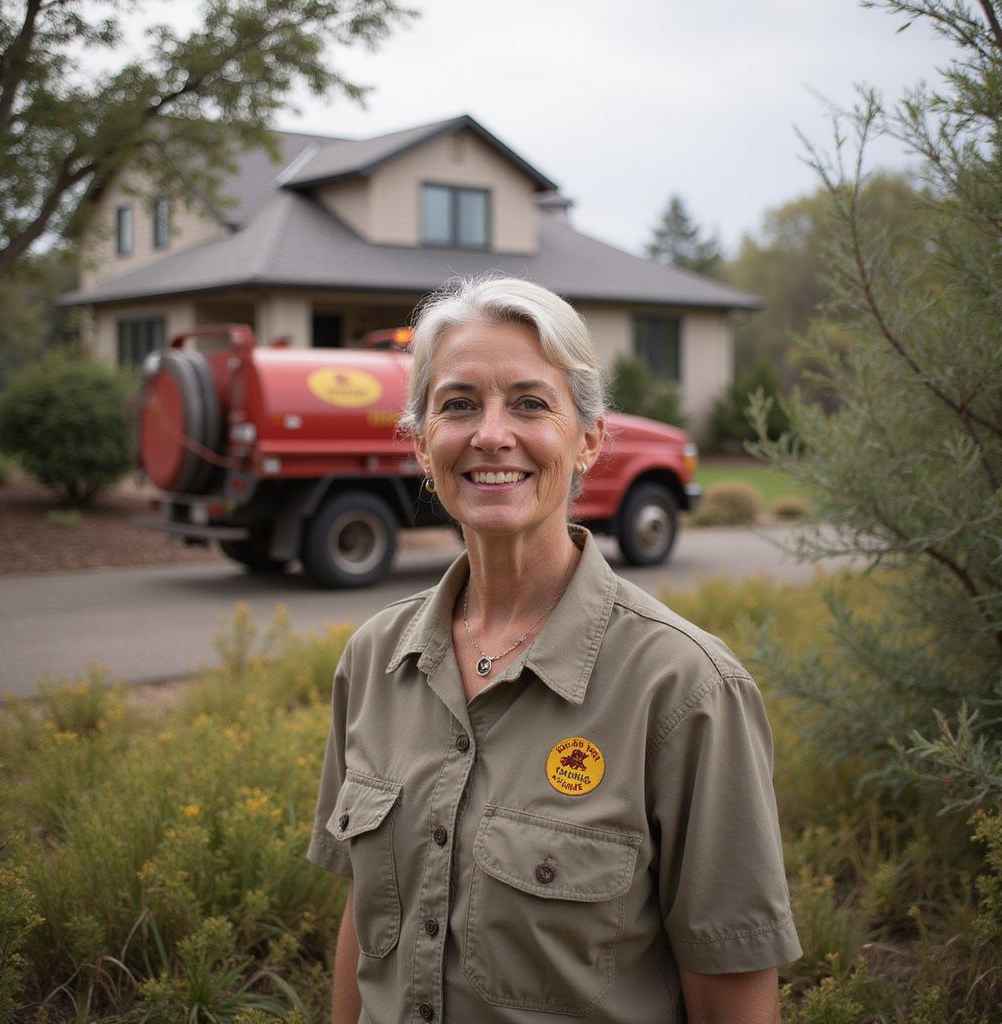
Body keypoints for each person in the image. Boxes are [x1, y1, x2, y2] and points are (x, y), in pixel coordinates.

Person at [307, 277, 802, 1024]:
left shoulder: (685, 690)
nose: (491, 434)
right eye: (459, 403)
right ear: (420, 442)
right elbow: (366, 921)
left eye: (531, 403)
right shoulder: (374, 660)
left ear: (589, 441)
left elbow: (729, 987)